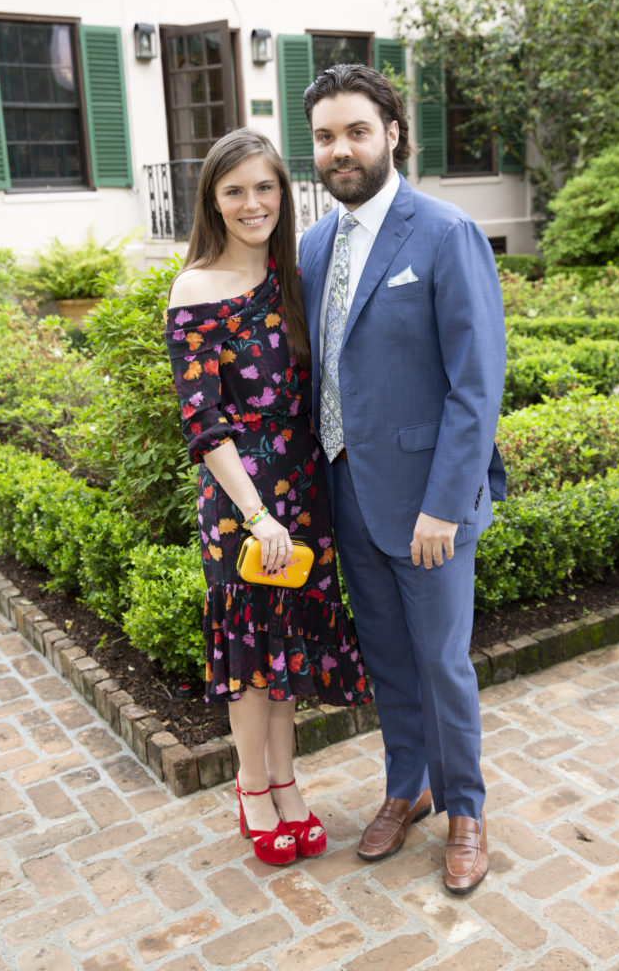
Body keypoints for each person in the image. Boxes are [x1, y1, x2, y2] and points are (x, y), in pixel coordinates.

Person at [298, 65, 506, 894]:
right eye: (324, 136)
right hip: (346, 491)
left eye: (355, 131)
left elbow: (474, 385)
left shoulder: (445, 232)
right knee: (386, 657)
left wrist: (445, 505)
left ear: (391, 133)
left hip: (428, 505)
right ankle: (406, 786)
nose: (339, 150)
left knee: (441, 663)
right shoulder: (314, 246)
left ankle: (466, 812)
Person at [165, 128, 371, 867]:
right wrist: (256, 515)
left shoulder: (295, 275)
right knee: (252, 651)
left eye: (264, 187)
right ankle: (252, 787)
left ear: (282, 193)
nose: (252, 203)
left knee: (285, 648)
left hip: (304, 487)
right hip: (240, 500)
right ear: (212, 201)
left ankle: (287, 780)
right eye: (234, 191)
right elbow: (202, 422)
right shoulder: (194, 288)